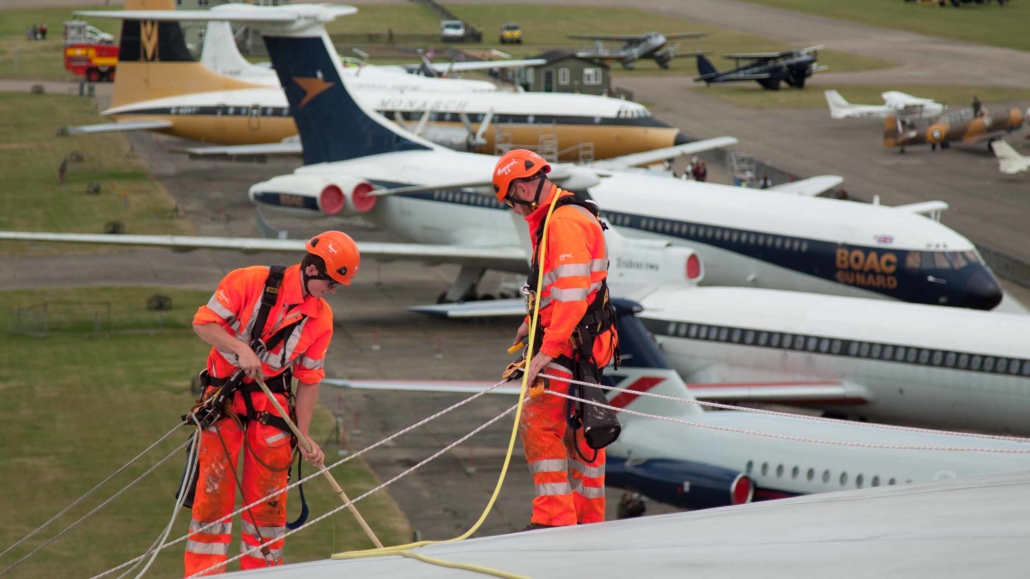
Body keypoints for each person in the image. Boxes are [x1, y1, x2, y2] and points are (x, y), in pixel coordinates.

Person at [184, 231, 358, 576]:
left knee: (269, 506)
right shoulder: (248, 282)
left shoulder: (320, 319)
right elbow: (203, 323)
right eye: (331, 284)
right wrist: (240, 348)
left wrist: (304, 435)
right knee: (212, 498)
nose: (332, 292)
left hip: (271, 406)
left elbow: (309, 380)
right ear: (312, 271)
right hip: (223, 399)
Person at [493, 149, 619, 531]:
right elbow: (554, 288)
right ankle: (587, 519)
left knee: (539, 425)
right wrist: (531, 320)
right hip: (585, 346)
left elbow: (569, 296)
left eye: (511, 200)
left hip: (567, 347)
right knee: (585, 432)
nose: (513, 209)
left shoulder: (561, 224)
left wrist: (544, 353)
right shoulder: (561, 215)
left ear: (522, 187)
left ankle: (553, 519)